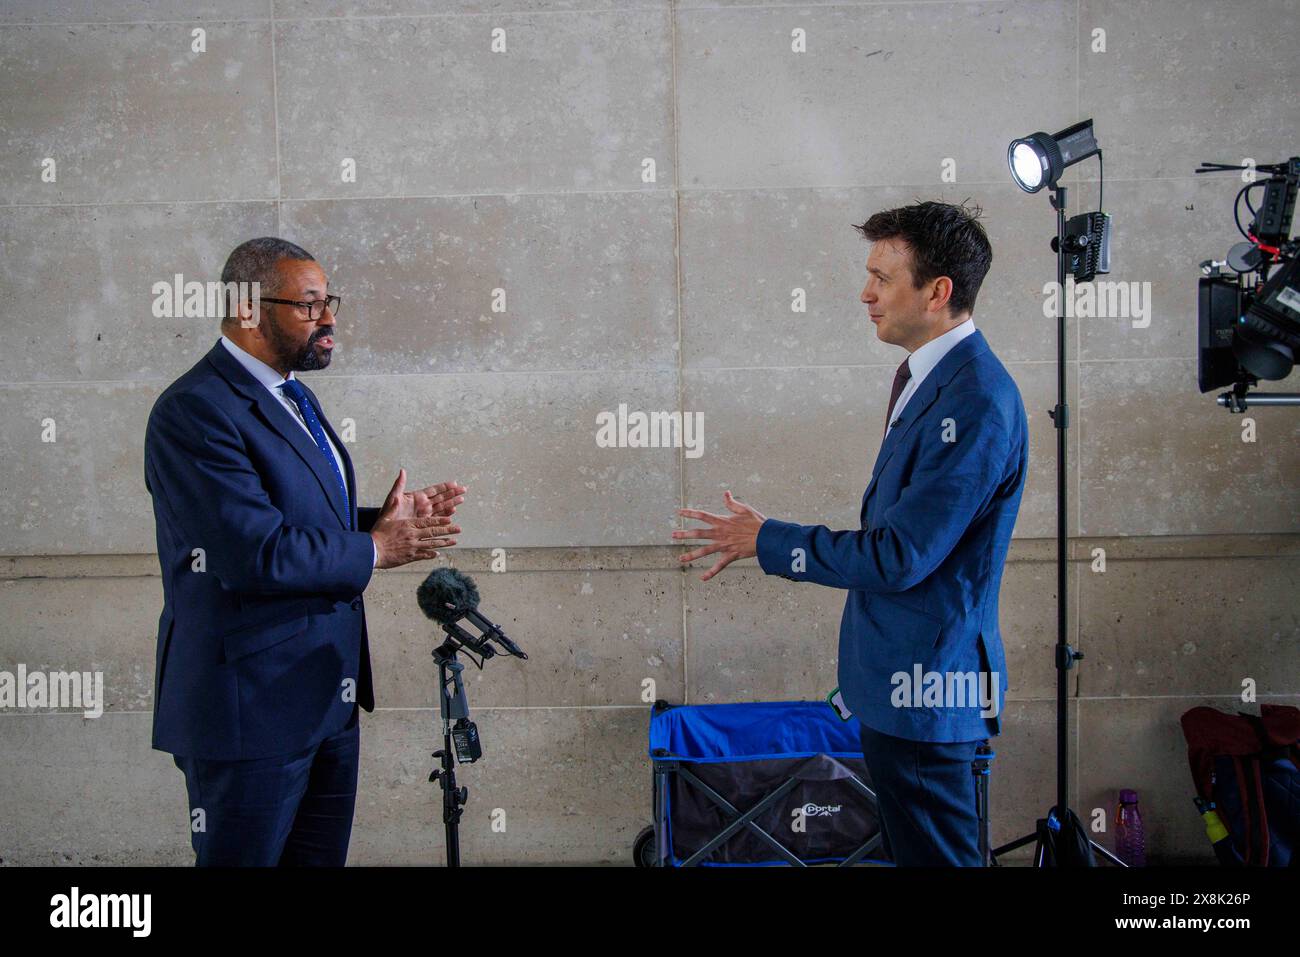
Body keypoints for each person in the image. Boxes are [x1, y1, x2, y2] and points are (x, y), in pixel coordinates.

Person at [674, 201, 1029, 865]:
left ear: (937, 291)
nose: (865, 293)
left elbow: (899, 556)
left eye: (882, 277)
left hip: (928, 691)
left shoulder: (976, 399)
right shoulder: (933, 380)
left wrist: (767, 540)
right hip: (899, 691)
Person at [144, 237, 466, 866]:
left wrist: (383, 520)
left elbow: (296, 518)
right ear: (246, 308)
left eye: (330, 302)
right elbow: (251, 553)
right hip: (250, 709)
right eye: (309, 305)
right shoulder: (194, 411)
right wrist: (375, 549)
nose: (330, 319)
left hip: (323, 698)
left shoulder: (294, 394)